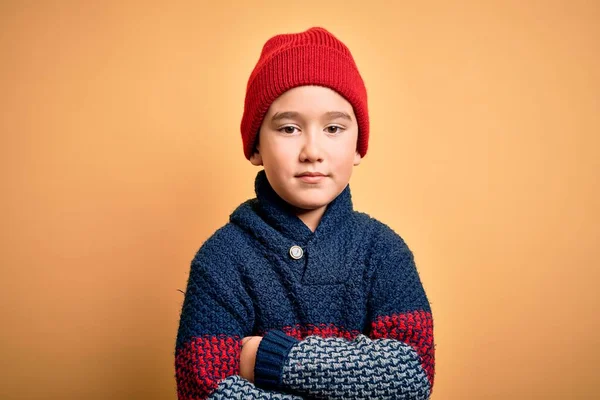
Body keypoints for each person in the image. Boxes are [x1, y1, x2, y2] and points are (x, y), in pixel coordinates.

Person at [175, 27, 435, 400]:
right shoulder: (221, 260)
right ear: (255, 148)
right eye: (289, 128)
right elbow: (204, 389)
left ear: (358, 147)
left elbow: (413, 373)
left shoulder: (383, 250)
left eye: (333, 128)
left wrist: (271, 358)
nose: (312, 150)